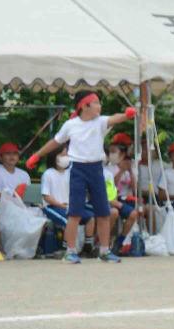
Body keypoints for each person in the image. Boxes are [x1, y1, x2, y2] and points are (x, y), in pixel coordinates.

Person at [26, 91, 139, 264]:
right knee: (75, 213)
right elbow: (55, 142)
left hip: (96, 169)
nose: (99, 106)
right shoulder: (71, 125)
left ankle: (104, 250)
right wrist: (37, 156)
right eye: (96, 103)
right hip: (77, 170)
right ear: (84, 106)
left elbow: (115, 118)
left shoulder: (100, 122)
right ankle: (70, 251)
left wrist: (127, 114)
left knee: (103, 212)